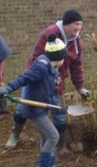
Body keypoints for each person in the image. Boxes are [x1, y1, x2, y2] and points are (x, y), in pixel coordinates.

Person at [5, 9, 89, 151]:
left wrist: (80, 87)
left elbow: (77, 65)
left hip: (57, 81)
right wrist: (40, 82)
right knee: (22, 110)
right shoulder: (49, 34)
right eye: (76, 24)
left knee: (60, 113)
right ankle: (15, 134)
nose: (78, 29)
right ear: (67, 24)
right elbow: (35, 60)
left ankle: (61, 145)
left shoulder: (76, 41)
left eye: (80, 25)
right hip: (37, 79)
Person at [0, 35, 68, 167]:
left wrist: (57, 106)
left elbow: (48, 88)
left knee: (45, 136)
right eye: (63, 57)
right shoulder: (41, 66)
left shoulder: (51, 66)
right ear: (58, 56)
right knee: (54, 136)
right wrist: (9, 87)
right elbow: (24, 78)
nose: (64, 61)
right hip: (34, 110)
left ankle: (49, 165)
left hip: (42, 107)